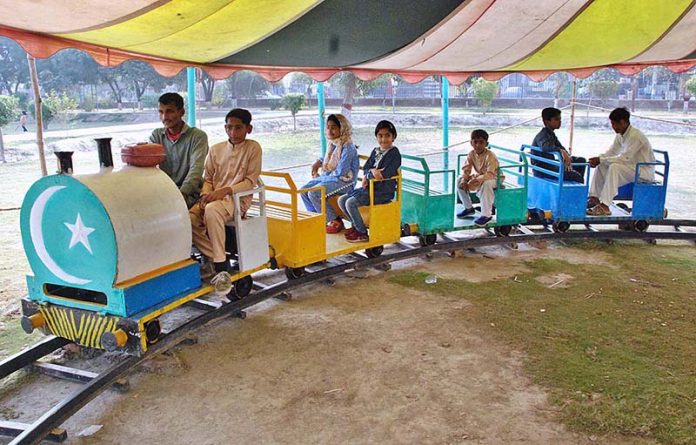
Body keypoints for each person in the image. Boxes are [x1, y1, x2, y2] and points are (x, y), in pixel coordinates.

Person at [189, 108, 262, 281]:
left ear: (248, 129)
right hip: (214, 198)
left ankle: (221, 267)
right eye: (229, 128)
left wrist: (224, 191)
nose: (233, 132)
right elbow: (208, 179)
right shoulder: (216, 149)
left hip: (238, 199)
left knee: (213, 210)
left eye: (238, 128)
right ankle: (218, 258)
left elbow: (250, 181)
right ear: (225, 128)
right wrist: (206, 195)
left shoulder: (253, 148)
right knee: (189, 219)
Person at [339, 120, 401, 243]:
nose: (383, 139)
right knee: (342, 200)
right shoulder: (375, 151)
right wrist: (371, 172)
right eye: (380, 136)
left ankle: (361, 232)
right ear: (376, 137)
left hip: (382, 192)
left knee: (350, 203)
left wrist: (372, 174)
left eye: (387, 135)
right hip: (370, 189)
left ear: (393, 137)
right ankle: (355, 226)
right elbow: (367, 168)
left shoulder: (394, 154)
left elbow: (384, 174)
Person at [586, 107, 655, 216]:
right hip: (631, 168)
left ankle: (605, 206)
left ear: (623, 122)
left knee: (615, 167)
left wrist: (601, 160)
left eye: (614, 124)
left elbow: (624, 158)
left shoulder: (635, 136)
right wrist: (599, 159)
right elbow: (612, 152)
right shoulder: (620, 135)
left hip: (643, 171)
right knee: (602, 166)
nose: (613, 127)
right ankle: (595, 198)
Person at [301, 114, 359, 233]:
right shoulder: (334, 144)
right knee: (303, 190)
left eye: (333, 127)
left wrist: (322, 178)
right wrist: (318, 162)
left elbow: (340, 172)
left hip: (345, 182)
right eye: (328, 127)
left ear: (342, 128)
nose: (329, 130)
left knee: (314, 193)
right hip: (332, 178)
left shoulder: (348, 147)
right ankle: (317, 218)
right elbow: (329, 159)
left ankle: (335, 220)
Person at [149, 92, 208, 209]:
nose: (164, 117)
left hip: (190, 194)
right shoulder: (156, 135)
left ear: (182, 112)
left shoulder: (198, 136)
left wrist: (181, 194)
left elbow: (196, 171)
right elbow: (150, 167)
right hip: (165, 192)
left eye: (170, 111)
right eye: (161, 112)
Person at [456, 129, 500, 227]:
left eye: (481, 142)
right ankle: (469, 208)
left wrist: (475, 180)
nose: (477, 145)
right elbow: (466, 169)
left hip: (495, 177)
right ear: (471, 143)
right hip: (481, 176)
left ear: (486, 143)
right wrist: (464, 180)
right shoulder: (471, 154)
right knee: (459, 180)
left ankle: (486, 215)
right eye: (475, 142)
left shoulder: (490, 155)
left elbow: (490, 173)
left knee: (486, 183)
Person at [531, 107, 586, 183]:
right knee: (576, 176)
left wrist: (567, 157)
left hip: (550, 164)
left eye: (560, 119)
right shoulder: (542, 135)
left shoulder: (551, 134)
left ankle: (575, 186)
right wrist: (561, 151)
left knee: (581, 161)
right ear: (546, 121)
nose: (560, 122)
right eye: (556, 119)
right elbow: (545, 147)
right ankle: (578, 191)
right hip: (543, 169)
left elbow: (560, 146)